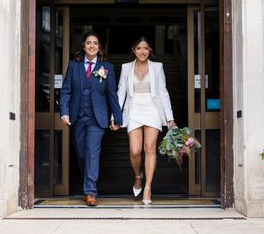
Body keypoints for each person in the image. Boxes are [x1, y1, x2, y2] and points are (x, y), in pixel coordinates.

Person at [59, 31, 123, 207]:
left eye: (95, 43)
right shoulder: (74, 66)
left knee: (92, 153)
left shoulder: (106, 67)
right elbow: (66, 91)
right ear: (84, 46)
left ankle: (90, 192)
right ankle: (88, 183)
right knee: (81, 153)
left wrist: (117, 117)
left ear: (99, 47)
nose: (92, 46)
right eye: (89, 43)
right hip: (77, 117)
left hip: (97, 119)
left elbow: (112, 95)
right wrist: (64, 112)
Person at [117, 37, 176, 205]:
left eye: (146, 48)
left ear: (150, 50)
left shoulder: (157, 67)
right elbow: (121, 92)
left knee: (149, 147)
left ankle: (148, 188)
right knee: (135, 151)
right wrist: (116, 116)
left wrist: (170, 118)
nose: (142, 51)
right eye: (139, 48)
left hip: (152, 109)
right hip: (134, 109)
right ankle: (138, 176)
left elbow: (163, 92)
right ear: (133, 50)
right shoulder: (126, 67)